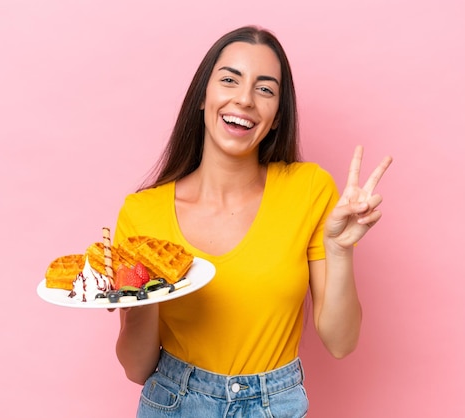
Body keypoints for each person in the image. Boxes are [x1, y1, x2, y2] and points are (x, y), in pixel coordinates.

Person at [112, 25, 392, 417]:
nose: (244, 100)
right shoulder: (141, 213)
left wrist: (339, 251)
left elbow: (341, 343)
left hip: (274, 405)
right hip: (173, 403)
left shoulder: (308, 190)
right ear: (202, 97)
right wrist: (143, 296)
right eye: (229, 80)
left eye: (265, 89)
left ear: (277, 116)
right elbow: (136, 367)